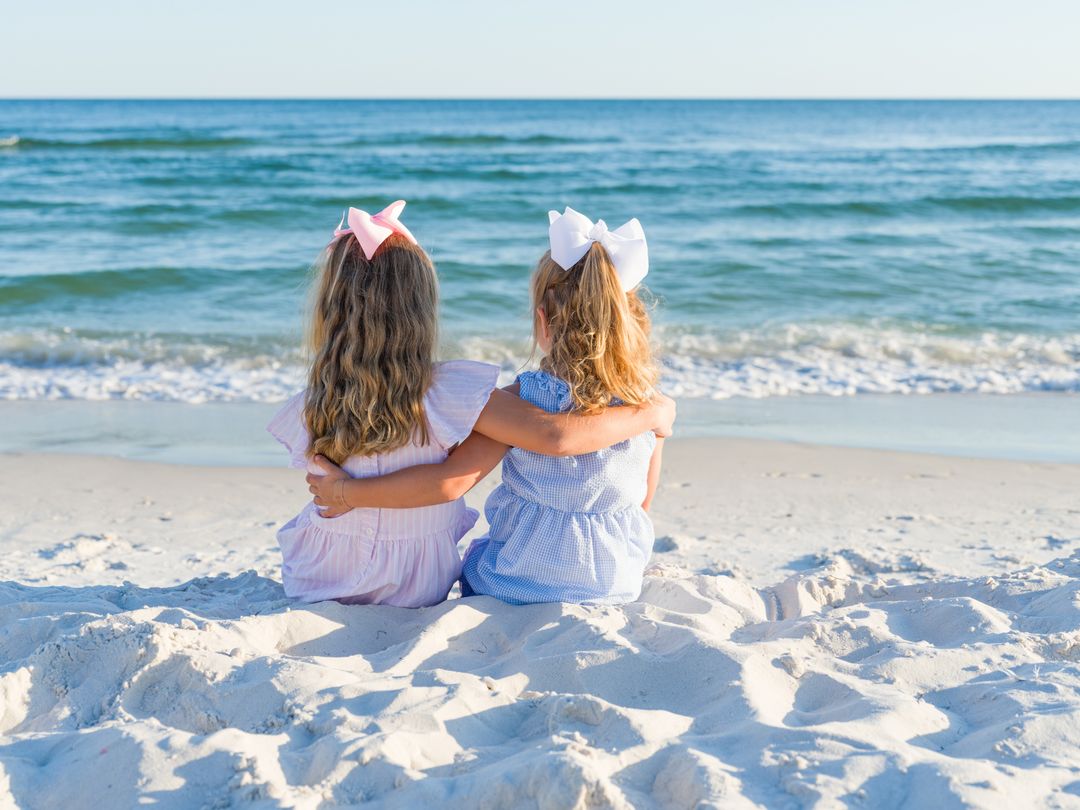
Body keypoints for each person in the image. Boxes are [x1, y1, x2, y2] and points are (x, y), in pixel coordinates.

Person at [271, 202, 674, 608]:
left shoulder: (313, 399)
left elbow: (473, 470)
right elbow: (635, 499)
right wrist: (651, 413)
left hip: (321, 573)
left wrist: (346, 494)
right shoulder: (453, 393)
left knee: (487, 557)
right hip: (588, 582)